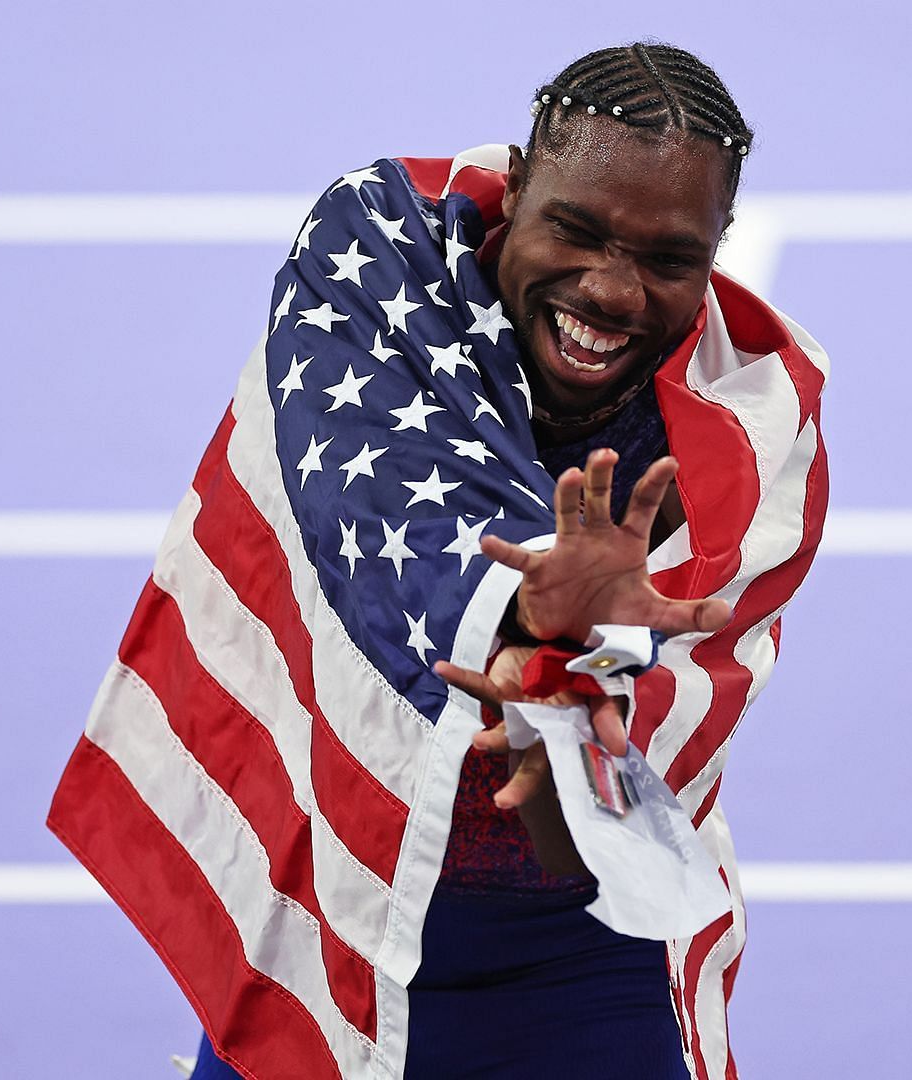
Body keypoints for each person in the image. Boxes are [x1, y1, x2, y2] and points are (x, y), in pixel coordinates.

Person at [48, 43, 827, 1080]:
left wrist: (551, 686)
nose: (610, 290)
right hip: (334, 910)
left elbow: (580, 838)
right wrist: (513, 613)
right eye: (578, 230)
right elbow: (370, 540)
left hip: (574, 962)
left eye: (668, 259)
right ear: (516, 184)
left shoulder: (745, 449)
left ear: (718, 252)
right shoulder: (374, 265)